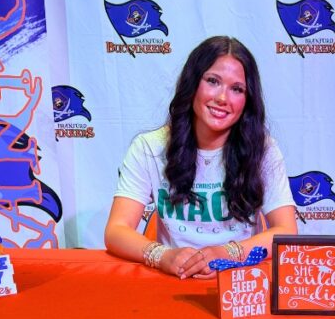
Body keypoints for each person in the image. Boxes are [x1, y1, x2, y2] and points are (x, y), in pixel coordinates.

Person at [105, 36, 297, 278]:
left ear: (247, 101)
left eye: (237, 89)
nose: (222, 98)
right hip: (173, 280)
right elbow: (116, 231)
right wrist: (162, 255)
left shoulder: (264, 150)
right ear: (193, 83)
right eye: (213, 81)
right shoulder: (149, 148)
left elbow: (286, 230)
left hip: (240, 284)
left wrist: (227, 253)